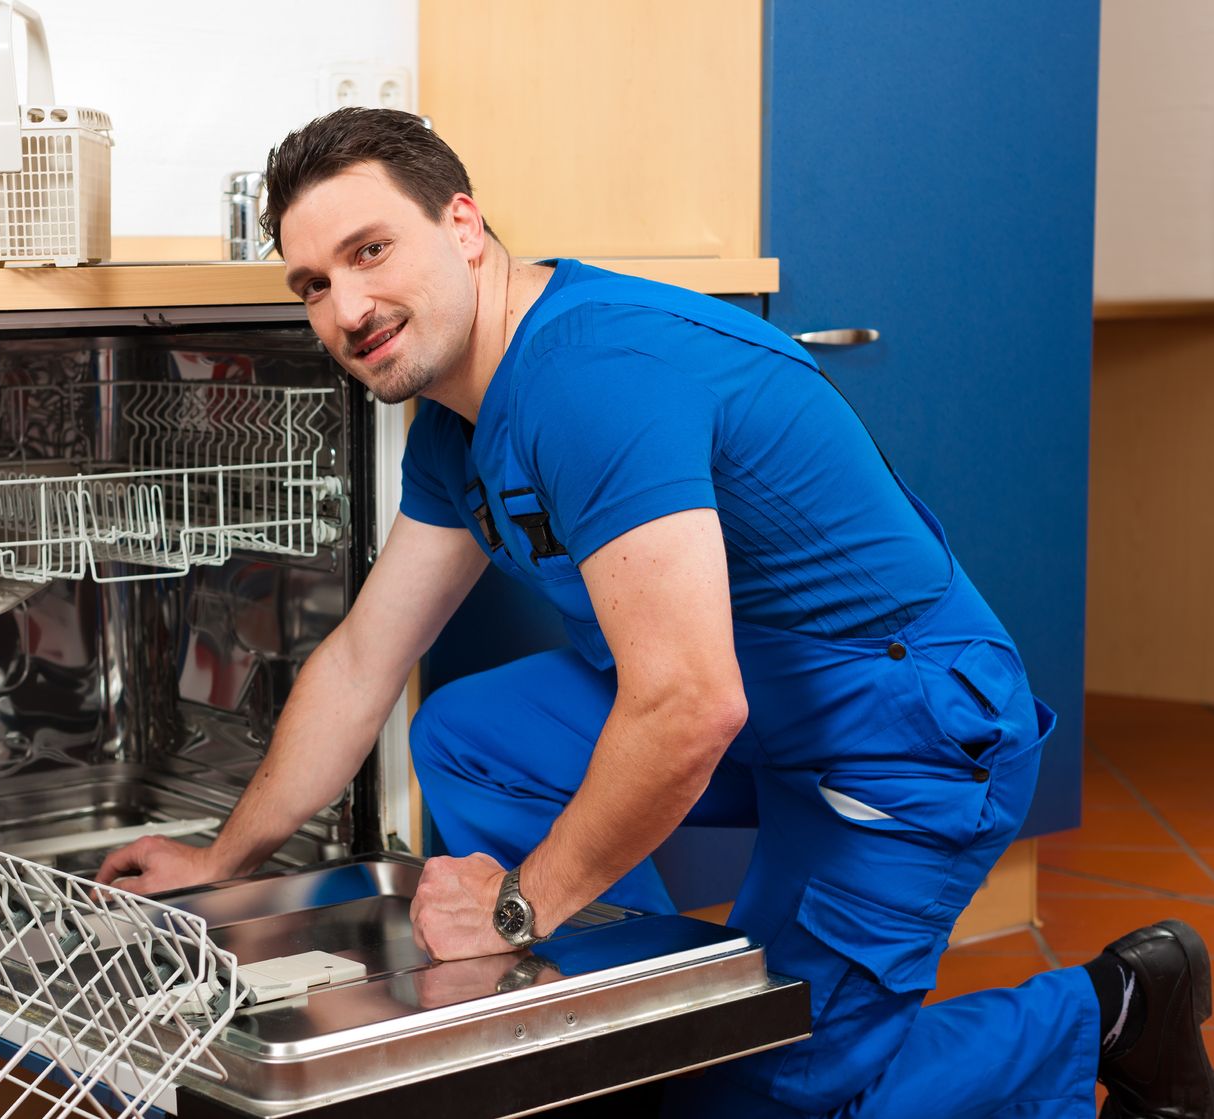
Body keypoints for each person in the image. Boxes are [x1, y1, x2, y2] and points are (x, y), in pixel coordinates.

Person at [96, 108, 1214, 1118]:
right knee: (470, 736)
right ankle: (630, 1012)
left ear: (463, 225)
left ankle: (1113, 1007)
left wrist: (519, 911)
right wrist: (227, 859)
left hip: (902, 732)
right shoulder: (455, 419)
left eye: (369, 251)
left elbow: (685, 706)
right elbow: (361, 661)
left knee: (765, 1095)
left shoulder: (591, 375)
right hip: (764, 706)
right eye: (309, 285)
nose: (344, 308)